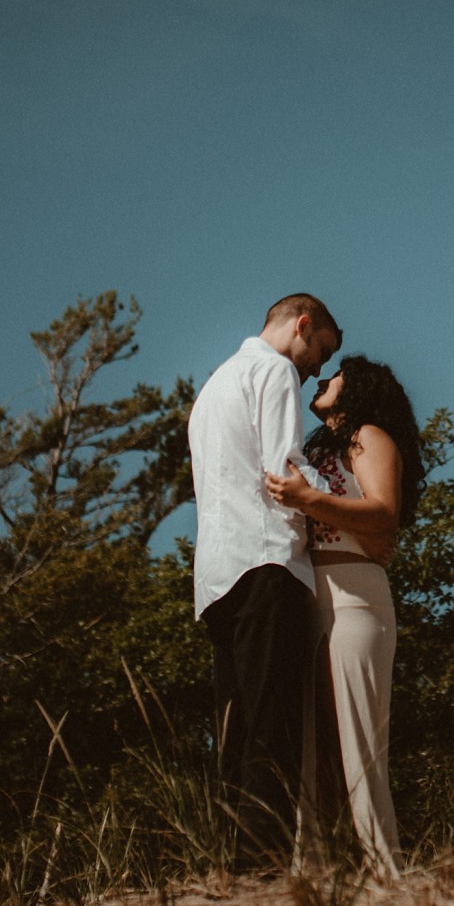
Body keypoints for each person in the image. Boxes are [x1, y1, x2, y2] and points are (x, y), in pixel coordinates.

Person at [187, 293, 342, 868]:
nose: (315, 372)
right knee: (272, 728)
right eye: (318, 353)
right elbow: (285, 468)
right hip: (269, 564)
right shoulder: (274, 370)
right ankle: (263, 867)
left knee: (234, 728)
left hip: (216, 578)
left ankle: (226, 861)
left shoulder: (212, 388)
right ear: (302, 326)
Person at [264, 354, 423, 877]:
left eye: (336, 375)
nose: (324, 378)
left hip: (355, 596)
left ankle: (387, 876)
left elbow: (384, 513)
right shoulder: (321, 448)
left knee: (359, 747)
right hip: (314, 600)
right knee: (314, 755)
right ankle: (313, 877)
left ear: (357, 389)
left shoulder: (369, 437)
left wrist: (309, 499)